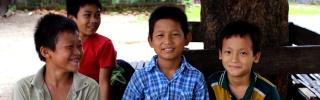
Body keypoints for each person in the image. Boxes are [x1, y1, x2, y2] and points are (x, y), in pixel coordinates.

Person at [122, 5, 209, 100]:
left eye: (175, 34)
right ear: (150, 41)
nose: (167, 41)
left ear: (187, 39)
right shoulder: (140, 78)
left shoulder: (196, 78)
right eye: (160, 35)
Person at [11, 13, 101, 100]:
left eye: (79, 46)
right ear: (45, 52)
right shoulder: (24, 89)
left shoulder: (90, 88)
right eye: (70, 46)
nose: (77, 52)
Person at [207, 21, 281, 100]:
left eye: (243, 53)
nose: (234, 59)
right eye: (228, 52)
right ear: (220, 54)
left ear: (256, 56)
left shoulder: (267, 92)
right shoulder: (213, 84)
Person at [66, 0, 117, 99]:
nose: (94, 20)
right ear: (72, 18)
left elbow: (104, 83)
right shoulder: (62, 44)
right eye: (87, 15)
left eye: (97, 15)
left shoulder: (104, 45)